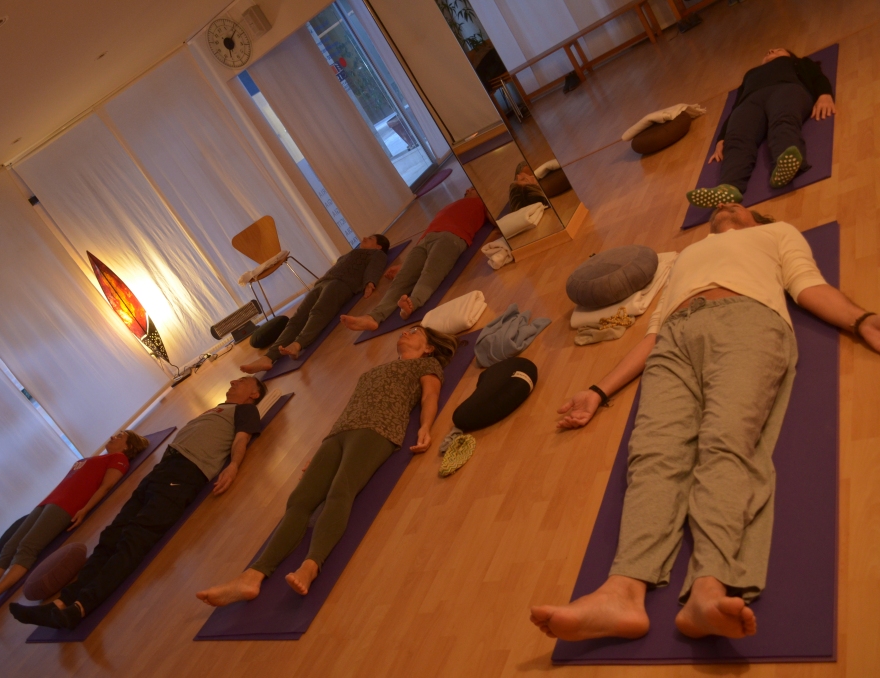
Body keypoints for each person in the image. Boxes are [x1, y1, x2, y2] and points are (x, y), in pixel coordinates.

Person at [533, 203, 880, 642]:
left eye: (740, 203)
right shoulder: (686, 255)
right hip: (674, 339)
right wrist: (598, 391)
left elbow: (807, 284)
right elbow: (654, 331)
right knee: (652, 455)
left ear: (759, 219)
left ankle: (708, 588)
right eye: (721, 205)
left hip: (747, 320)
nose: (727, 204)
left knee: (726, 441)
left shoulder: (776, 234)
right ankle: (621, 593)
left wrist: (862, 320)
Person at [197, 326, 458, 605]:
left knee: (340, 491)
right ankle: (252, 577)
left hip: (377, 429)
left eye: (415, 331)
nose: (405, 333)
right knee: (300, 500)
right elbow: (351, 405)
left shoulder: (427, 365)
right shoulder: (380, 368)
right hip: (339, 432)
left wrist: (425, 427)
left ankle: (310, 566)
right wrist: (321, 449)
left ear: (429, 347)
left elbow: (429, 397)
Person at [10, 376, 267, 630]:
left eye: (243, 381)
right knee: (111, 537)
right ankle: (61, 603)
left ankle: (80, 607)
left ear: (254, 394)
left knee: (134, 539)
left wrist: (234, 465)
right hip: (162, 470)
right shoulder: (218, 409)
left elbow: (241, 439)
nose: (233, 381)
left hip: (187, 472)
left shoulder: (246, 410)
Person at [0, 430, 149, 613]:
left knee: (27, 547)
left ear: (128, 446)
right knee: (9, 548)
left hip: (67, 506)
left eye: (120, 436)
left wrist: (84, 510)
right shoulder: (95, 458)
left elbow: (106, 486)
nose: (112, 437)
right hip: (49, 502)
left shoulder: (119, 459)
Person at [687, 48, 836, 208]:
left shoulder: (798, 62)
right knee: (737, 139)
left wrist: (824, 94)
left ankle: (785, 165)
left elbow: (817, 77)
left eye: (778, 50)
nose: (771, 50)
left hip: (786, 89)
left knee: (782, 121)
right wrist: (723, 137)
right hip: (750, 101)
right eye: (769, 51)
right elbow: (735, 106)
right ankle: (728, 188)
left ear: (790, 56)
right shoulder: (750, 74)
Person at [341, 188, 488, 330]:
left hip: (451, 237)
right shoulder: (454, 204)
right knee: (401, 280)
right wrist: (404, 265)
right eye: (467, 190)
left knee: (430, 273)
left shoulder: (483, 203)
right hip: (425, 240)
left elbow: (494, 218)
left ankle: (412, 303)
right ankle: (373, 317)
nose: (467, 190)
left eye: (472, 189)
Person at [241, 234, 390, 374]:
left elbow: (375, 267)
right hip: (323, 283)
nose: (364, 238)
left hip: (341, 284)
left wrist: (370, 283)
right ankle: (268, 357)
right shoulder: (349, 254)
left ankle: (298, 344)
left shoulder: (377, 254)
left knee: (319, 312)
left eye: (371, 238)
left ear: (378, 247)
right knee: (297, 319)